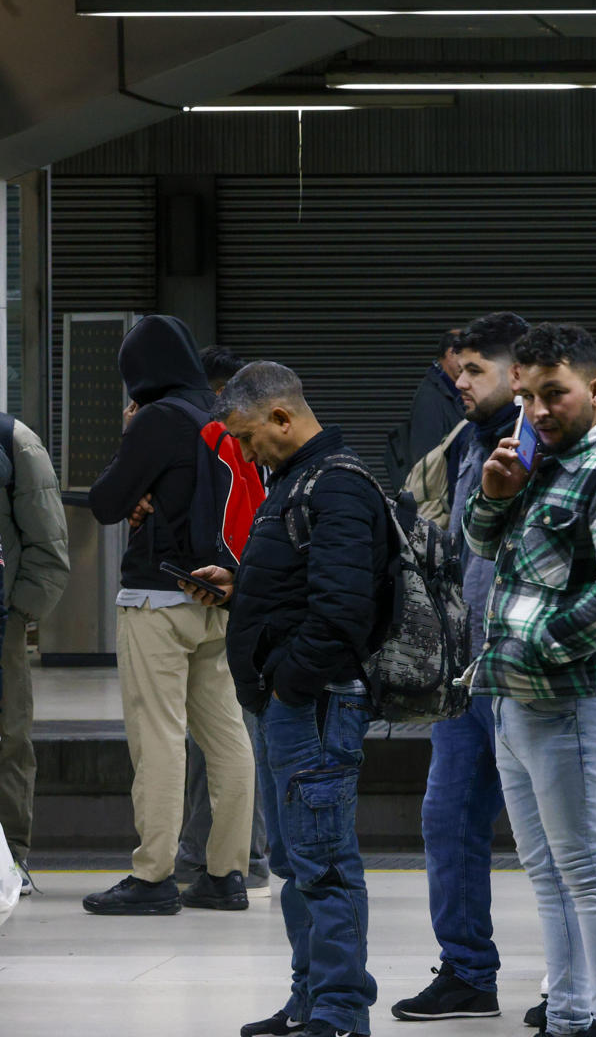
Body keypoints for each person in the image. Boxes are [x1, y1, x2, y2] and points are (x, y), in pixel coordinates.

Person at [465, 323, 596, 1037]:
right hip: (517, 704)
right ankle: (570, 1016)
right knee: (549, 876)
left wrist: (545, 646)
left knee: (588, 872)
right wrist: (493, 494)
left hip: (573, 702)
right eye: (527, 396)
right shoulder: (538, 458)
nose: (539, 410)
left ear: (595, 391)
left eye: (555, 394)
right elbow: (489, 545)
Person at [189, 361, 390, 1037]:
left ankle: (339, 1009)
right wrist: (242, 585)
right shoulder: (297, 483)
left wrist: (288, 684)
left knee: (325, 862)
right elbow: (305, 588)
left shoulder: (335, 486)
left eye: (248, 438)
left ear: (282, 417)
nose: (245, 453)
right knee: (295, 863)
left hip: (316, 705)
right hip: (290, 707)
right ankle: (310, 999)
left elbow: (341, 610)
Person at [84, 315, 256, 916]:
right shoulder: (217, 416)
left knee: (157, 737)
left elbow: (106, 502)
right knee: (227, 737)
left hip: (157, 602)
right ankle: (226, 874)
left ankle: (153, 876)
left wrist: (131, 445)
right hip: (217, 597)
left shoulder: (155, 419)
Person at [390, 311, 527, 1023]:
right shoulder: (470, 444)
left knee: (562, 843)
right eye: (459, 368)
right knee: (447, 820)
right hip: (467, 676)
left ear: (517, 371)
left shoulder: (538, 444)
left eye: (475, 369)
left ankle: (587, 980)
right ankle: (469, 971)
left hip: (529, 676)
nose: (459, 379)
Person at [178, 343, 272, 893]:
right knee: (241, 735)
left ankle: (208, 856)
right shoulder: (274, 449)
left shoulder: (220, 440)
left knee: (218, 739)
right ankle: (247, 855)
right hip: (256, 600)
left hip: (228, 600)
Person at [0, 410, 71, 898]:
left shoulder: (15, 442)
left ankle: (10, 856)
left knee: (8, 738)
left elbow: (48, 543)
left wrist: (18, 612)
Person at [384, 328, 465, 485]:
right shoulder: (430, 397)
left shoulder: (449, 391)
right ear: (451, 353)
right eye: (466, 356)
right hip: (437, 501)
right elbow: (425, 460)